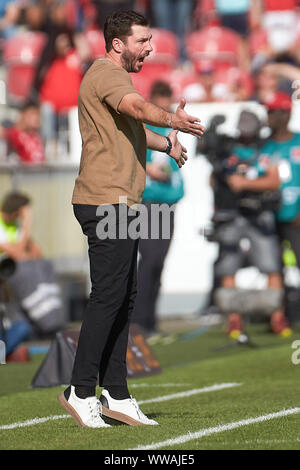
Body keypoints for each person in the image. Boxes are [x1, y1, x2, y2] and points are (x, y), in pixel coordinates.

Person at [58, 10, 204, 429]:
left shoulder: (113, 78)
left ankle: (116, 395)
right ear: (118, 44)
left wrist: (167, 146)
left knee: (124, 297)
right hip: (105, 202)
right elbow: (137, 108)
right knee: (108, 297)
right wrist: (173, 119)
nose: (151, 48)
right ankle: (81, 390)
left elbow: (131, 127)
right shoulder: (107, 74)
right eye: (143, 41)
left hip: (122, 204)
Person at [206, 110, 291, 339]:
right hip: (233, 214)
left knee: (271, 264)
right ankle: (234, 319)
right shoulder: (227, 149)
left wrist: (245, 183)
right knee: (228, 264)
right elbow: (214, 180)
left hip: (259, 213)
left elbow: (274, 180)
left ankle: (277, 316)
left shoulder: (266, 147)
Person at [131, 81, 184, 340]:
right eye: (161, 99)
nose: (165, 105)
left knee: (158, 264)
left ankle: (150, 321)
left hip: (166, 205)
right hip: (151, 205)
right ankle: (140, 323)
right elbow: (133, 158)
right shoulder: (145, 129)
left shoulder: (168, 129)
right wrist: (149, 170)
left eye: (167, 98)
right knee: (149, 263)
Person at [0, 191, 65, 339]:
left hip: (12, 268)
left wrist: (25, 232)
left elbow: (37, 254)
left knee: (45, 265)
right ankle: (48, 322)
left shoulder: (15, 225)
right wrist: (27, 224)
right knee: (25, 271)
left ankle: (51, 317)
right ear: (16, 212)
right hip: (6, 270)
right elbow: (18, 254)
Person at [260, 91, 300, 326]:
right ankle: (281, 316)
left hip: (296, 219)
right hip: (269, 219)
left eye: (272, 112)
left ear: (285, 114)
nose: (268, 117)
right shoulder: (263, 145)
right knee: (274, 269)